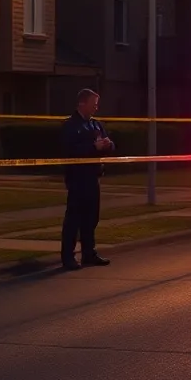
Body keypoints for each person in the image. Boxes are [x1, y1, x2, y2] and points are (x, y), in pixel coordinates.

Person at [61, 88, 115, 270]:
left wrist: (107, 145)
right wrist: (93, 147)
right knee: (74, 219)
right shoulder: (71, 125)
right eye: (93, 104)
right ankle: (68, 257)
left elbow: (109, 145)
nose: (96, 108)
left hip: (93, 177)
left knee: (91, 218)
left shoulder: (96, 125)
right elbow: (70, 150)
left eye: (97, 104)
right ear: (82, 103)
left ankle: (88, 253)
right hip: (77, 178)